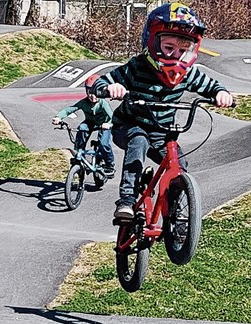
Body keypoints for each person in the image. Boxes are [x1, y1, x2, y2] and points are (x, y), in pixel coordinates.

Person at [91, 2, 234, 219]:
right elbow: (101, 82)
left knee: (179, 164)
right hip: (129, 125)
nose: (175, 56)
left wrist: (221, 94)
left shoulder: (188, 74)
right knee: (138, 141)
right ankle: (127, 201)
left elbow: (212, 85)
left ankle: (174, 214)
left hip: (161, 132)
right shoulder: (136, 67)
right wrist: (111, 88)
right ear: (152, 41)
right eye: (169, 48)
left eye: (183, 51)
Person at [52, 74, 115, 177]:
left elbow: (112, 117)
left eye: (95, 93)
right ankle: (78, 155)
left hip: (104, 125)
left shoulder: (103, 103)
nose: (92, 96)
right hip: (90, 122)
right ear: (86, 92)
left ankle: (109, 165)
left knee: (104, 144)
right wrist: (59, 117)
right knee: (82, 128)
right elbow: (70, 109)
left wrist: (108, 124)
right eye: (90, 92)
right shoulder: (84, 102)